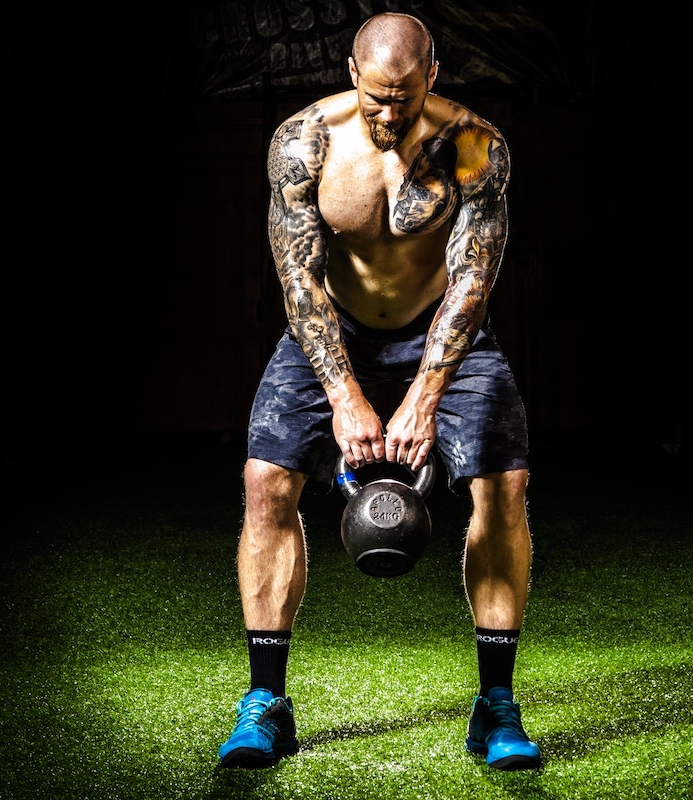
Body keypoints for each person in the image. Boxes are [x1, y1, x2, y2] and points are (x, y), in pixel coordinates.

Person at [217, 12, 540, 772]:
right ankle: (266, 702)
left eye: (404, 97)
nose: (389, 115)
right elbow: (298, 283)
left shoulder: (473, 147)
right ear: (352, 74)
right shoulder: (306, 142)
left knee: (504, 485)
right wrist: (346, 395)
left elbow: (472, 282)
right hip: (335, 330)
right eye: (376, 98)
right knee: (266, 483)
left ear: (433, 75)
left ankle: (495, 705)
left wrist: (424, 397)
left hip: (443, 332)